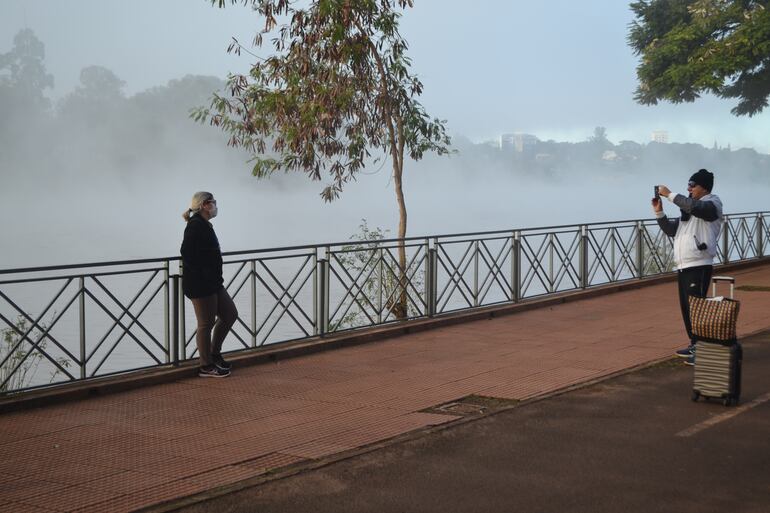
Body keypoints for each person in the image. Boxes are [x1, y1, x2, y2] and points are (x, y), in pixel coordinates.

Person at [653, 169, 723, 366]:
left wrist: (669, 195)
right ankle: (695, 345)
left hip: (699, 264)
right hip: (684, 265)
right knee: (688, 309)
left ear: (704, 188)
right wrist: (659, 212)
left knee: (697, 308)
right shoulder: (689, 211)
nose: (689, 188)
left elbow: (698, 208)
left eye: (693, 185)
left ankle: (703, 350)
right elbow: (671, 230)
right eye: (688, 185)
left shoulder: (712, 204)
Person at [181, 191, 238, 378]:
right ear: (205, 205)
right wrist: (204, 275)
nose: (216, 206)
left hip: (214, 283)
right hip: (201, 285)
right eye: (214, 202)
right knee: (206, 323)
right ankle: (206, 365)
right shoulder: (195, 225)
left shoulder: (205, 224)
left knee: (229, 314)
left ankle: (215, 353)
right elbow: (187, 254)